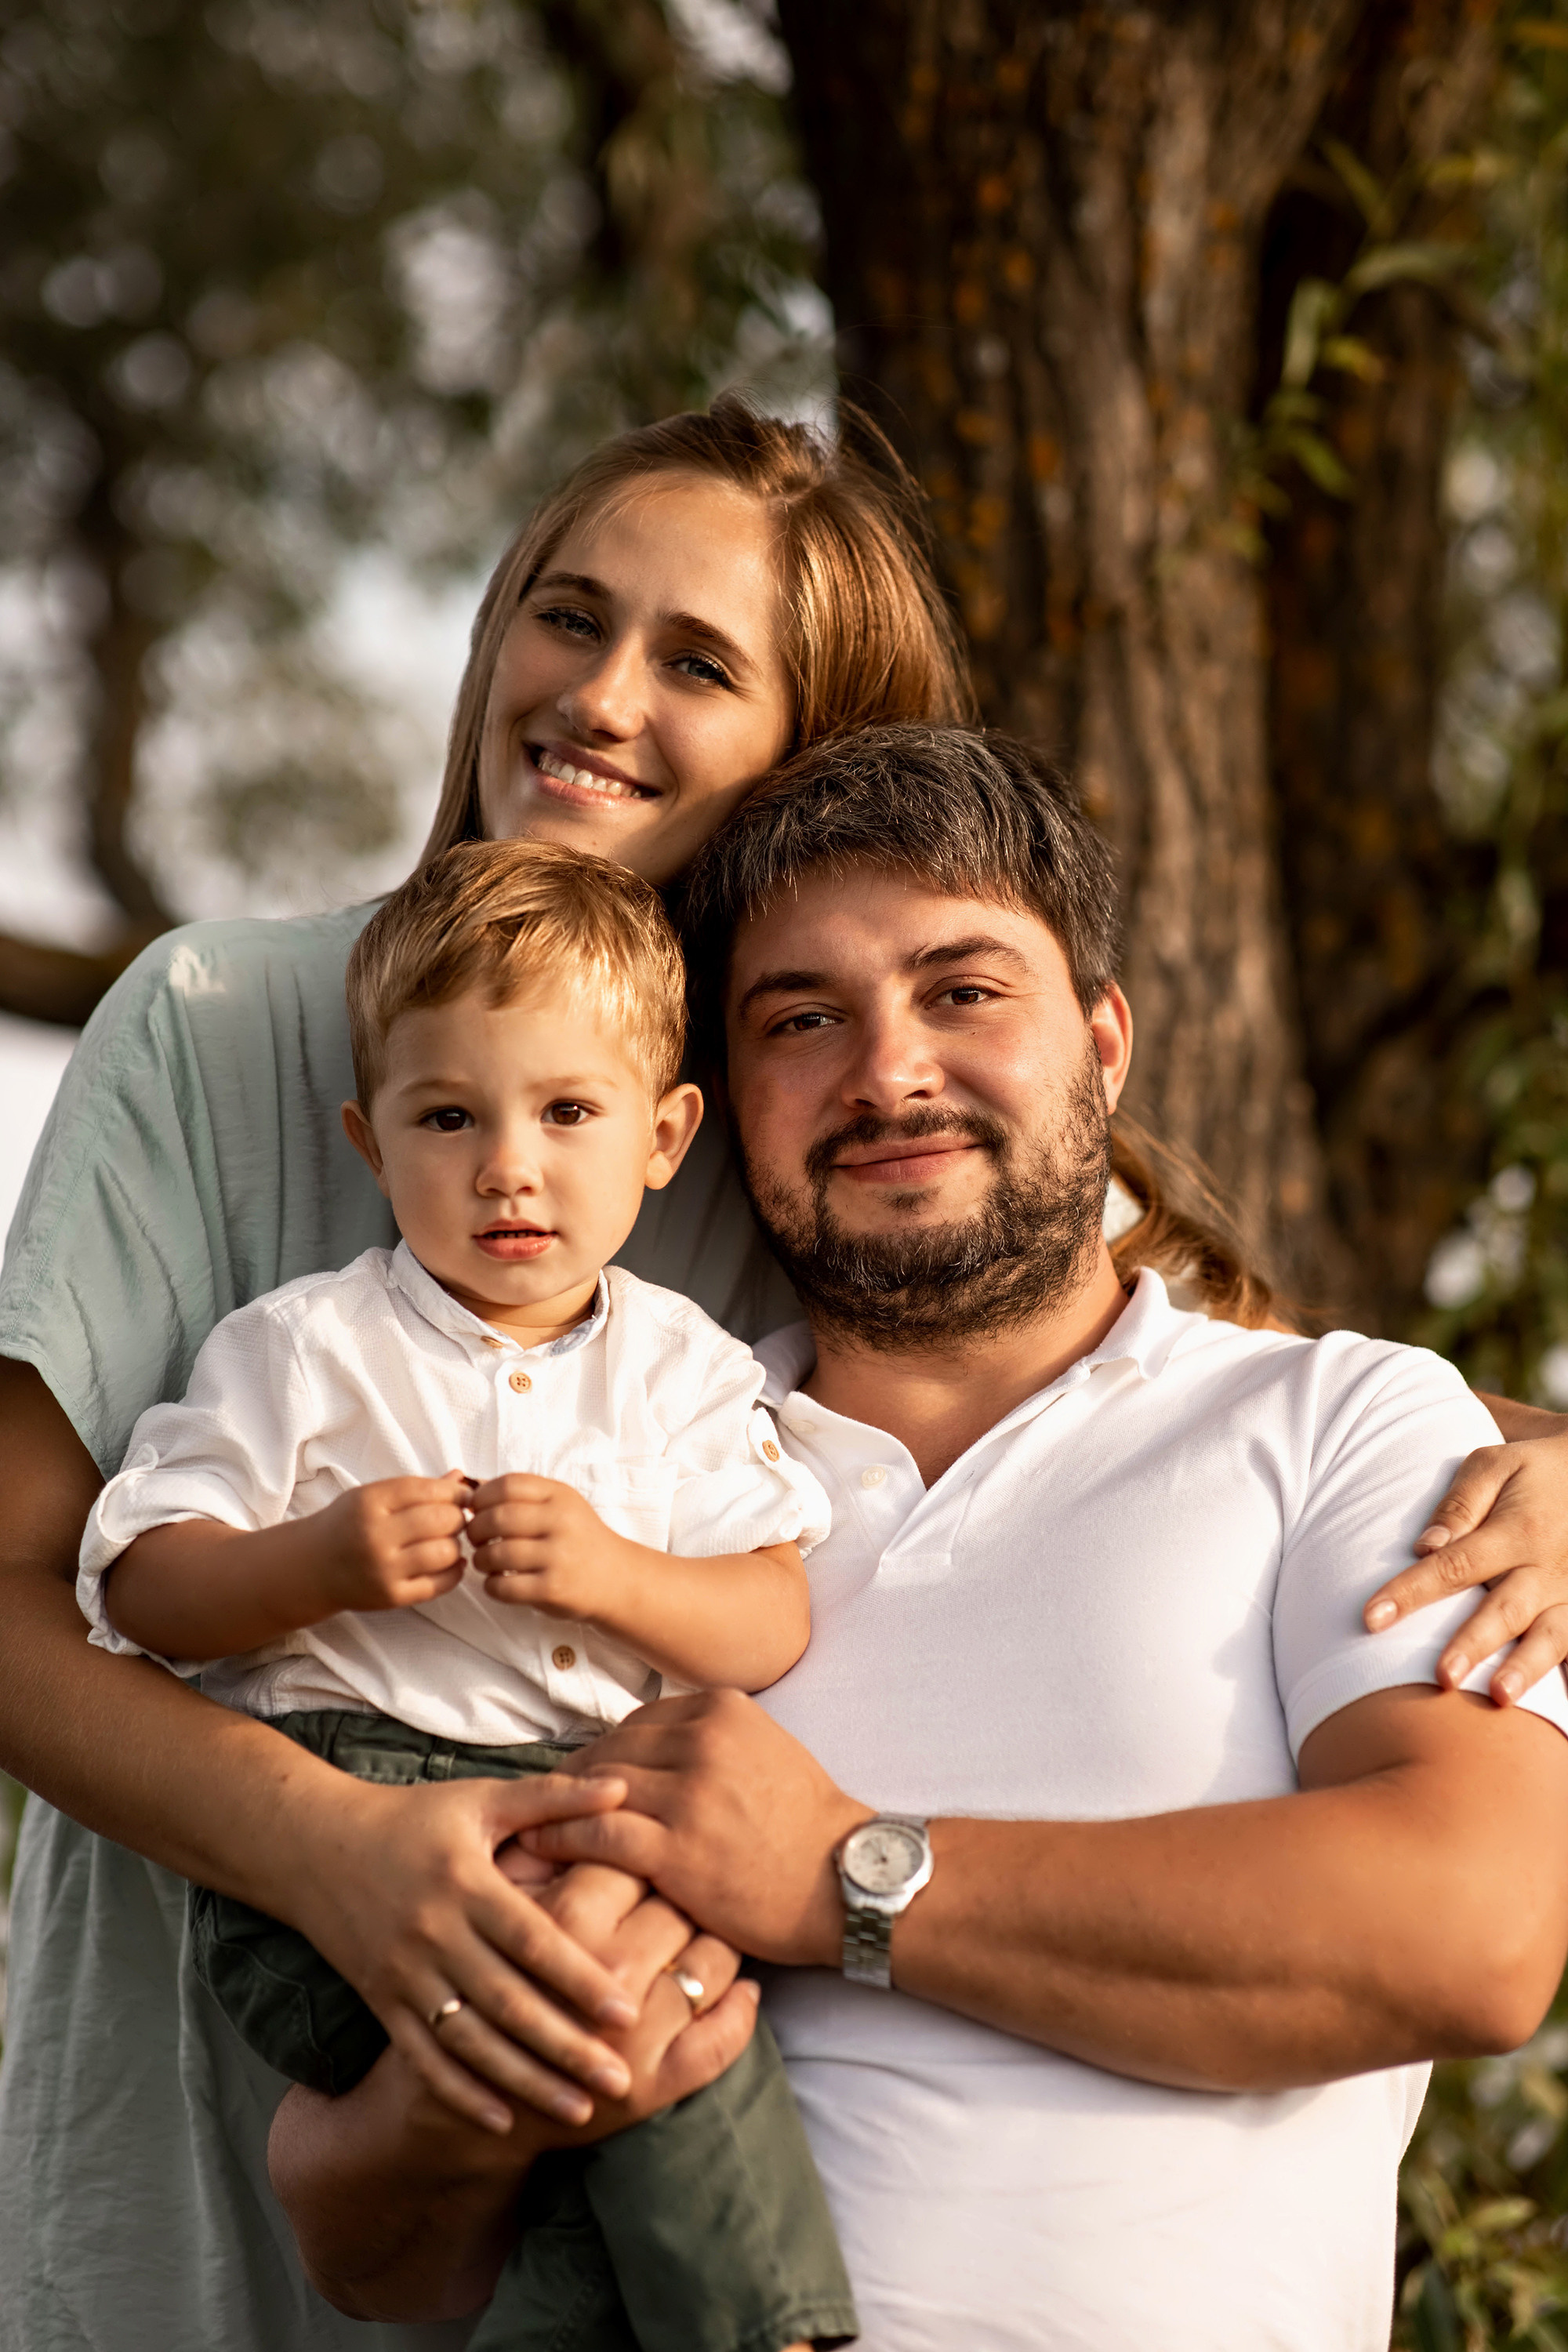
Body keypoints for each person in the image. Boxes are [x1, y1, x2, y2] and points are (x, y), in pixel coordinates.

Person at [0, 397, 1566, 2351]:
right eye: (563, 618)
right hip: (243, 2019)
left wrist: (1554, 1461)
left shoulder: (782, 1218)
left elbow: (1198, 1373)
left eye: (697, 660)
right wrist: (334, 1849)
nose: (595, 694)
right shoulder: (237, 1027)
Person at [269, 726, 1568, 2351]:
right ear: (715, 1107)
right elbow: (357, 2243)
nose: (886, 1072)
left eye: (962, 991)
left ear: (1103, 1042)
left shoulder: (1341, 1425)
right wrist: (492, 2078)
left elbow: (1474, 1928)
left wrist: (842, 1873)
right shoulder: (599, 1481)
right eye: (802, 1019)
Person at [77, 837, 854, 2352]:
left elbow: (772, 1615)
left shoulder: (684, 1369)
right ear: (374, 1145)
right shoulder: (304, 1351)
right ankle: (770, 2331)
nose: (509, 1164)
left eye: (569, 1112)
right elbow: (144, 1585)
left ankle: (753, 2326)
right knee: (616, 2010)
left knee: (642, 2040)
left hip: (589, 1814)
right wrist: (321, 1561)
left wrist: (622, 1578)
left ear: (665, 1135)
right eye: (451, 1116)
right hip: (341, 1817)